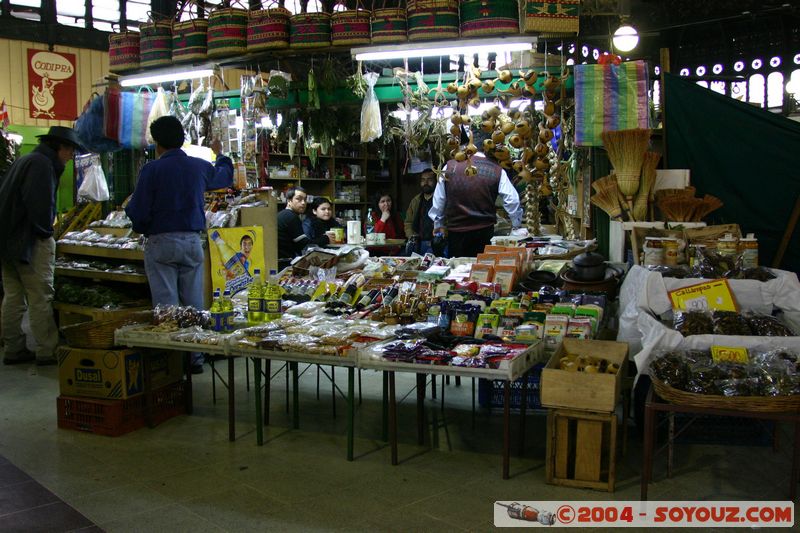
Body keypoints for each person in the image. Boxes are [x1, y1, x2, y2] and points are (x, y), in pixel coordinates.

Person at [125, 116, 233, 374]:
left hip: (161, 241)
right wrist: (220, 155)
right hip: (192, 241)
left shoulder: (151, 170)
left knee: (166, 304)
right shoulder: (198, 166)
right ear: (183, 139)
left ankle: (172, 360)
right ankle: (194, 358)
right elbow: (225, 177)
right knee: (194, 302)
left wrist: (142, 227)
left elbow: (137, 210)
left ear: (156, 143)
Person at [0, 126, 82, 365]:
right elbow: (40, 205)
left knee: (13, 296)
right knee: (40, 296)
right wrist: (46, 233)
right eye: (71, 151)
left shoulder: (25, 160)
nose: (71, 156)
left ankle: (13, 348)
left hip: (7, 241)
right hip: (28, 242)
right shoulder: (42, 166)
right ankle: (47, 350)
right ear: (60, 147)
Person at [429, 148, 527, 258]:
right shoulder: (496, 169)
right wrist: (516, 225)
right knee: (481, 269)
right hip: (484, 231)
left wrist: (438, 225)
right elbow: (512, 199)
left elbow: (439, 201)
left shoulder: (450, 166)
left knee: (458, 270)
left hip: (456, 232)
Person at [404, 161, 437, 255]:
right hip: (418, 243)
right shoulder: (416, 200)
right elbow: (408, 222)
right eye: (423, 180)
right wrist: (411, 236)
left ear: (435, 181)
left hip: (435, 243)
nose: (425, 183)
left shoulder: (440, 199)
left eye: (429, 180)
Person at [277, 187, 308, 268]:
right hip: (283, 264)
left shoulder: (283, 214)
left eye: (305, 199)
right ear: (289, 201)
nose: (303, 203)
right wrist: (326, 238)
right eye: (299, 199)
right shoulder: (290, 216)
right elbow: (304, 245)